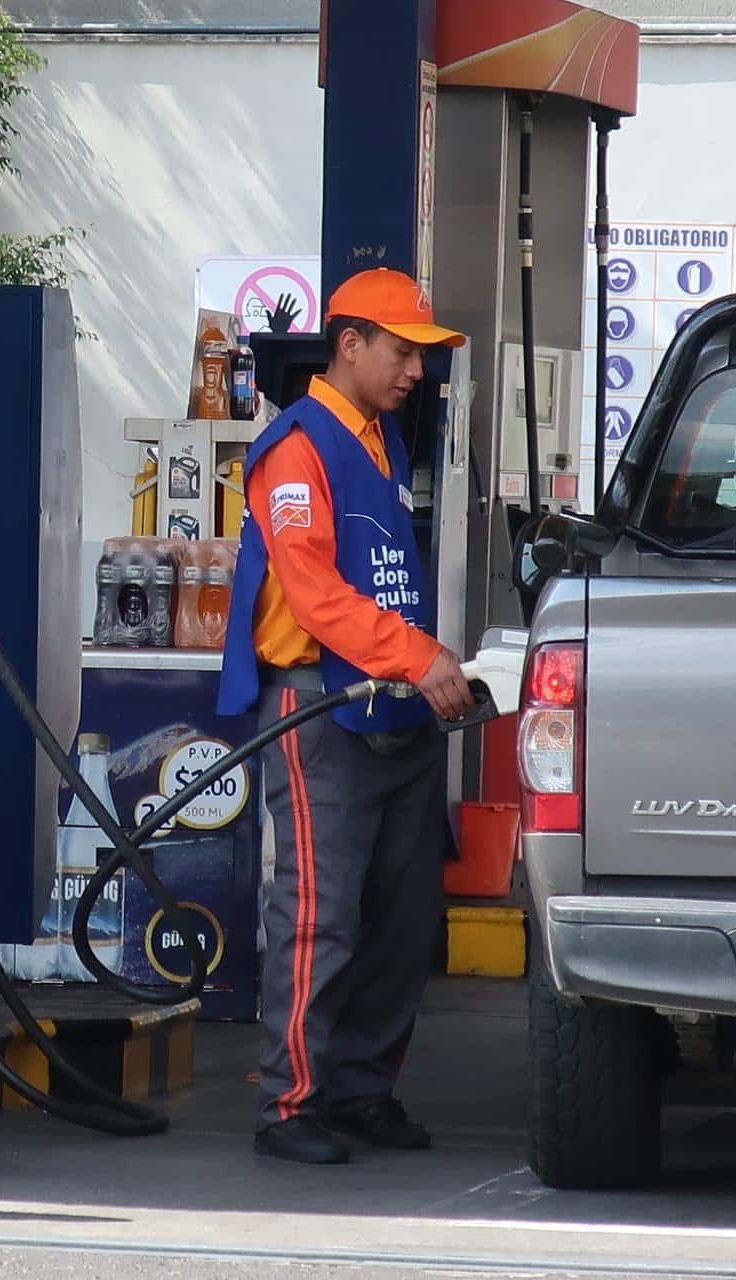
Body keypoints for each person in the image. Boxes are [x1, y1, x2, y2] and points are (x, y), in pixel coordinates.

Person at [216, 267, 476, 1166]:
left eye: (423, 356)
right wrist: (421, 657)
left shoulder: (382, 443)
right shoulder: (297, 447)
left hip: (393, 709)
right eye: (403, 352)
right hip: (318, 708)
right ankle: (290, 1106)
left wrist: (438, 670)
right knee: (319, 912)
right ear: (350, 344)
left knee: (401, 917)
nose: (416, 372)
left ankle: (362, 1092)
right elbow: (317, 597)